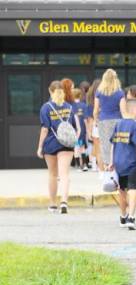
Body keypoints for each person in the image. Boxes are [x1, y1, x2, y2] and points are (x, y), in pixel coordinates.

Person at [37, 81, 79, 214]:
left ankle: (53, 204)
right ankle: (64, 202)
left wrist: (39, 147)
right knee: (65, 174)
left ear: (50, 91)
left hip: (50, 143)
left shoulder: (46, 107)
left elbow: (45, 129)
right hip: (66, 144)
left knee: (53, 175)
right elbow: (74, 127)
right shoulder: (69, 107)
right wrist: (76, 144)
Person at [109, 99, 136, 230]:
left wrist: (112, 161)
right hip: (132, 162)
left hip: (119, 162)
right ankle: (131, 217)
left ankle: (123, 216)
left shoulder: (118, 124)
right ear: (133, 109)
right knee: (133, 189)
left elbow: (113, 144)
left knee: (122, 190)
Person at [94, 69, 127, 171]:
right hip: (117, 121)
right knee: (118, 145)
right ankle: (117, 169)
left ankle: (107, 171)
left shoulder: (99, 92)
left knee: (105, 146)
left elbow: (95, 110)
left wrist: (96, 121)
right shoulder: (120, 93)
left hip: (103, 121)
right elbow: (123, 111)